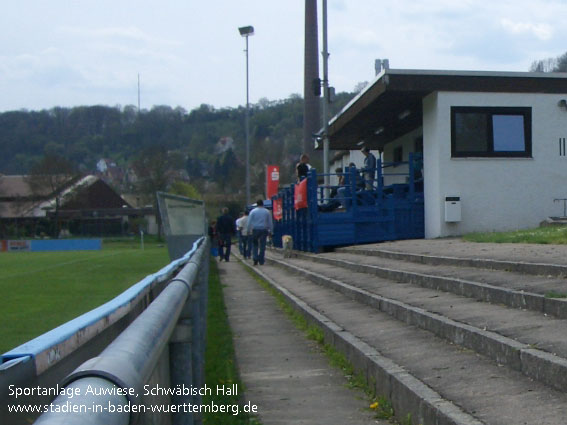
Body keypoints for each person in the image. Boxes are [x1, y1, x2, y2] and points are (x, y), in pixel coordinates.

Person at [246, 200, 273, 266]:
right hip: (264, 229)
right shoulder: (266, 211)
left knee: (255, 244)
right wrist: (271, 231)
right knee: (262, 245)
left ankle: (255, 258)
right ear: (262, 204)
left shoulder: (253, 211)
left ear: (257, 204)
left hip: (255, 229)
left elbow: (249, 222)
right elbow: (270, 222)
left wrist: (248, 230)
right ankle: (261, 260)